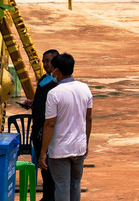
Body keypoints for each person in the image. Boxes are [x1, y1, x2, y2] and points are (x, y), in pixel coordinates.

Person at [39, 53, 91, 201]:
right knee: (75, 184)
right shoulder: (84, 88)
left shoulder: (54, 93)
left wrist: (43, 152)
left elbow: (49, 124)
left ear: (57, 71)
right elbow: (89, 118)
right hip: (78, 147)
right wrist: (86, 142)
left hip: (60, 150)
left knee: (61, 186)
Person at [29, 49, 59, 201]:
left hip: (46, 129)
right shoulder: (44, 79)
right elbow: (42, 98)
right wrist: (33, 103)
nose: (44, 64)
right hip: (37, 126)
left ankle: (52, 196)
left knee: (49, 164)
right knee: (43, 165)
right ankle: (47, 195)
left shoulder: (57, 83)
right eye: (44, 60)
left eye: (47, 61)